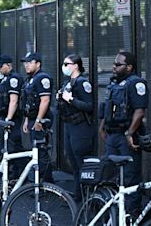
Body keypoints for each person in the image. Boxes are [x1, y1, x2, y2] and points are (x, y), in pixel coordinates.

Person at [98, 52, 148, 213]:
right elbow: (108, 107)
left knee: (130, 176)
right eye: (114, 63)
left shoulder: (136, 83)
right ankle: (113, 213)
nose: (114, 66)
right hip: (112, 135)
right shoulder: (114, 83)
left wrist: (130, 133)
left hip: (127, 136)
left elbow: (139, 112)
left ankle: (131, 214)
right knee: (109, 172)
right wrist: (102, 126)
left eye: (118, 64)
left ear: (129, 67)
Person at [56, 54, 95, 201]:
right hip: (69, 125)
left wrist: (70, 99)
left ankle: (88, 195)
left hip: (81, 127)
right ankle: (79, 193)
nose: (64, 67)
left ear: (76, 65)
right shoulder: (68, 82)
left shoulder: (82, 83)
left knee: (81, 161)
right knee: (73, 160)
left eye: (67, 64)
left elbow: (89, 106)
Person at [0, 54, 24, 177]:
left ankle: (18, 174)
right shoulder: (5, 78)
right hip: (3, 116)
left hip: (12, 119)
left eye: (0, 66)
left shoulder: (14, 78)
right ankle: (11, 172)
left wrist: (8, 119)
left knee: (14, 146)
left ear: (8, 65)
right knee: (6, 146)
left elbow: (14, 100)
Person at [21, 52, 54, 183]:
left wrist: (39, 120)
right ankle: (38, 179)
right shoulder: (29, 79)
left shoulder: (42, 78)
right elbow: (28, 102)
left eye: (30, 62)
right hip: (33, 118)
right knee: (36, 150)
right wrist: (27, 120)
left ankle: (46, 182)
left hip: (42, 120)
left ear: (38, 64)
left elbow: (45, 100)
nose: (26, 65)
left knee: (41, 151)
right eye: (25, 63)